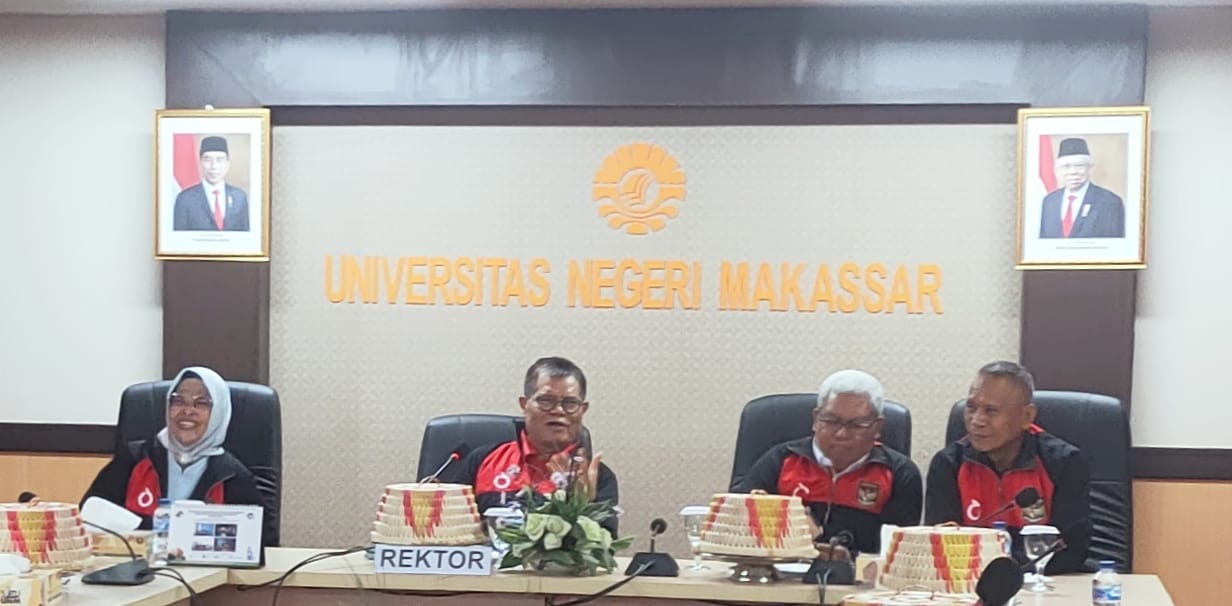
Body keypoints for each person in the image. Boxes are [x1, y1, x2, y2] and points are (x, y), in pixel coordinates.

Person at [925, 361, 1091, 574]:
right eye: (971, 408)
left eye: (990, 411)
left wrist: (1002, 568)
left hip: (1047, 582)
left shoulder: (1064, 463)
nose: (976, 420)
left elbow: (1071, 549)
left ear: (1026, 417)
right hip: (970, 583)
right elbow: (940, 545)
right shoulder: (948, 464)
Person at [734, 370, 923, 556]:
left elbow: (898, 555)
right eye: (831, 421)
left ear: (877, 427)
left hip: (859, 575)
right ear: (816, 419)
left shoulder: (899, 473)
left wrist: (841, 557)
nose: (841, 434)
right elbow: (736, 527)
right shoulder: (781, 460)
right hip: (781, 572)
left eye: (857, 425)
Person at [82, 367, 273, 545]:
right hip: (136, 566)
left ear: (218, 413)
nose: (187, 411)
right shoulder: (134, 459)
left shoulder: (233, 476)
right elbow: (90, 515)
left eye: (201, 403)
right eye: (178, 401)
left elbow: (262, 543)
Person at [439, 357, 619, 534]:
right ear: (524, 404)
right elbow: (447, 530)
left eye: (570, 403)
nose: (558, 410)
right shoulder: (482, 461)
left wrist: (580, 505)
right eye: (546, 400)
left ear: (583, 410)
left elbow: (604, 547)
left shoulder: (596, 477)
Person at [1039, 137, 1125, 239]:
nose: (1073, 172)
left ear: (1089, 168)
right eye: (1066, 166)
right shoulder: (1049, 202)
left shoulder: (1109, 202)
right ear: (1057, 170)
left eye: (1079, 166)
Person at [172, 136, 250, 231]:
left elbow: (246, 235)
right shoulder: (185, 199)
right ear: (200, 162)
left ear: (227, 164)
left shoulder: (239, 197)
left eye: (219, 160)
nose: (214, 166)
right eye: (208, 160)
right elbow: (178, 237)